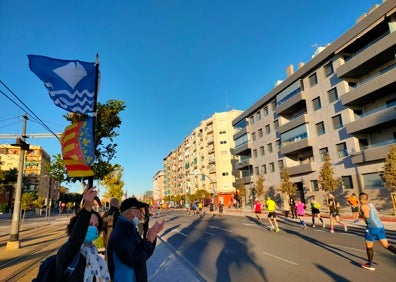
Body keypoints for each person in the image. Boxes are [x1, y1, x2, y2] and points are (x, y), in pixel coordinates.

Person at [56, 184, 111, 282]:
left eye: (96, 225)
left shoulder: (98, 259)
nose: (93, 228)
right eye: (89, 224)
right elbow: (75, 241)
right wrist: (87, 208)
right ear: (77, 226)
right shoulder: (69, 252)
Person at [107, 197, 164, 282]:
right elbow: (136, 259)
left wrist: (152, 237)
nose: (141, 214)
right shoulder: (120, 233)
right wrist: (149, 240)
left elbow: (141, 250)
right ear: (131, 211)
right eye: (140, 210)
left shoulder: (129, 228)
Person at [359, 192, 396, 270]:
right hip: (380, 227)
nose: (359, 200)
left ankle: (370, 264)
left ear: (361, 199)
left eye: (359, 199)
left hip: (372, 228)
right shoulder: (371, 205)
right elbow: (377, 213)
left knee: (369, 246)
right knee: (386, 245)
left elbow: (366, 215)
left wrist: (360, 215)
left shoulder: (363, 206)